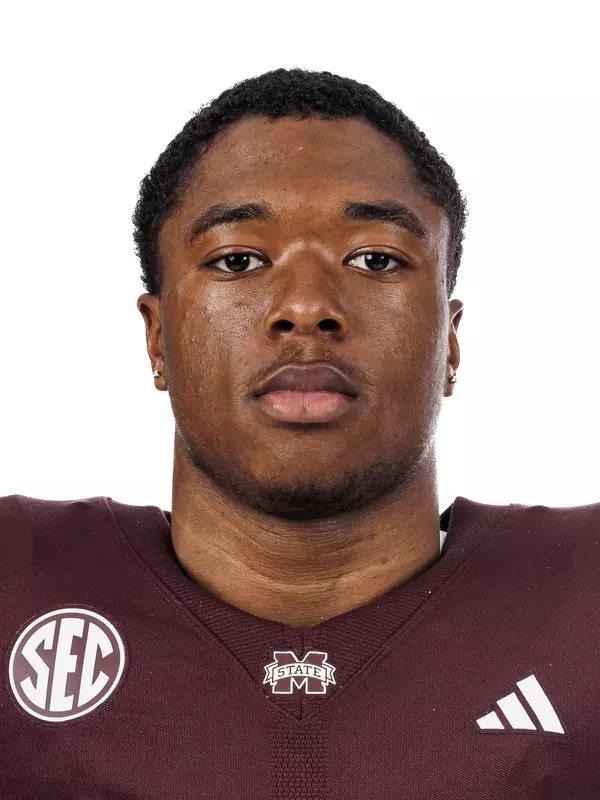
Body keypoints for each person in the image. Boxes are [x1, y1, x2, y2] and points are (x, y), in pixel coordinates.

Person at [1, 67, 597, 800]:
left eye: (375, 259)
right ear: (158, 340)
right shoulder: (16, 581)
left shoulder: (583, 610)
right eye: (239, 260)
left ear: (449, 339)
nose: (307, 306)